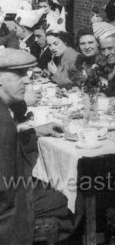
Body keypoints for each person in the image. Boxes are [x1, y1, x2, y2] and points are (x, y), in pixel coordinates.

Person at [0, 48, 77, 244]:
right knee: (69, 200)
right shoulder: (4, 123)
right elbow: (6, 194)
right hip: (9, 213)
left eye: (26, 74)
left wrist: (34, 132)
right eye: (18, 74)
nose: (26, 80)